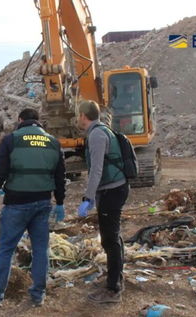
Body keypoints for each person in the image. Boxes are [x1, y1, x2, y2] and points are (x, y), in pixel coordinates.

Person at [0, 108, 66, 308]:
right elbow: (60, 176)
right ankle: (38, 295)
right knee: (40, 250)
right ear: (38, 122)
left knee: (5, 250)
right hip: (42, 204)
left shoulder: (11, 140)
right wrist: (61, 202)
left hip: (16, 204)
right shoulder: (53, 143)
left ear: (20, 120)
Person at [76, 100, 129, 304]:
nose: (78, 119)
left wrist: (88, 197)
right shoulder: (103, 129)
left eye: (79, 115)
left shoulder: (97, 135)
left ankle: (113, 290)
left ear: (83, 115)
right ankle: (116, 278)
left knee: (109, 240)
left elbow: (96, 169)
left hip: (111, 191)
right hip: (115, 188)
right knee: (114, 237)